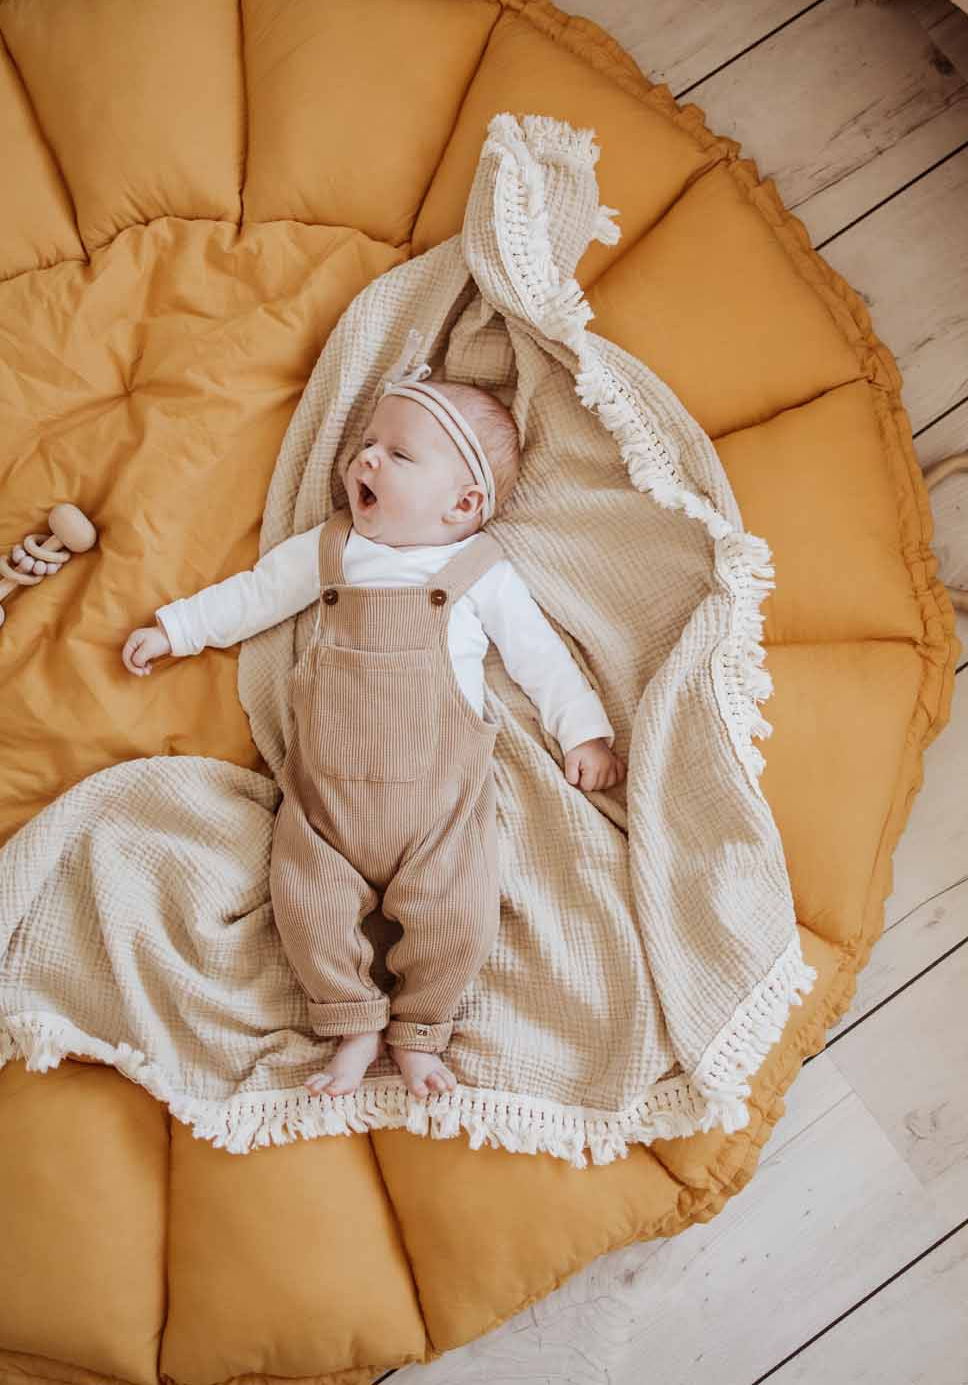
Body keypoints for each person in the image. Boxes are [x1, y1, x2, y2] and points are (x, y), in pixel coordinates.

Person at [121, 361, 625, 1103]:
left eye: (398, 454)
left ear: (462, 503)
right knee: (303, 901)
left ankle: (422, 1029)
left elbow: (540, 657)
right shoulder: (331, 551)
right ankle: (350, 1019)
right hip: (324, 808)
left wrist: (583, 733)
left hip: (439, 810)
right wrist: (180, 628)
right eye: (367, 442)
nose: (367, 458)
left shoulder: (477, 571)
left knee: (462, 916)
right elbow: (256, 596)